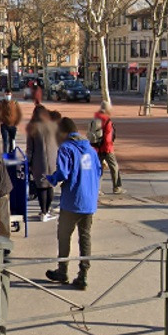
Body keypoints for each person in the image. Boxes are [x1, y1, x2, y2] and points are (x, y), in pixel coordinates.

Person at [45, 117, 102, 290]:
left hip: (72, 201)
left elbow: (63, 173)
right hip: (89, 202)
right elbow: (98, 171)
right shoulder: (91, 150)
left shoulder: (66, 148)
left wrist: (51, 179)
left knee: (64, 236)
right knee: (85, 237)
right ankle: (83, 275)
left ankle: (62, 270)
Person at [26, 105, 59, 221]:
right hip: (52, 160)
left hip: (38, 160)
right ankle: (47, 210)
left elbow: (30, 148)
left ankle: (43, 211)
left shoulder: (33, 127)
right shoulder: (53, 126)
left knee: (41, 187)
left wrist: (28, 162)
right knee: (50, 186)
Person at [88, 100, 125, 194]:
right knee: (114, 167)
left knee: (98, 169)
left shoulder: (96, 118)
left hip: (96, 147)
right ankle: (117, 187)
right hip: (107, 148)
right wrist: (109, 148)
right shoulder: (107, 120)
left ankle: (97, 188)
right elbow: (108, 137)